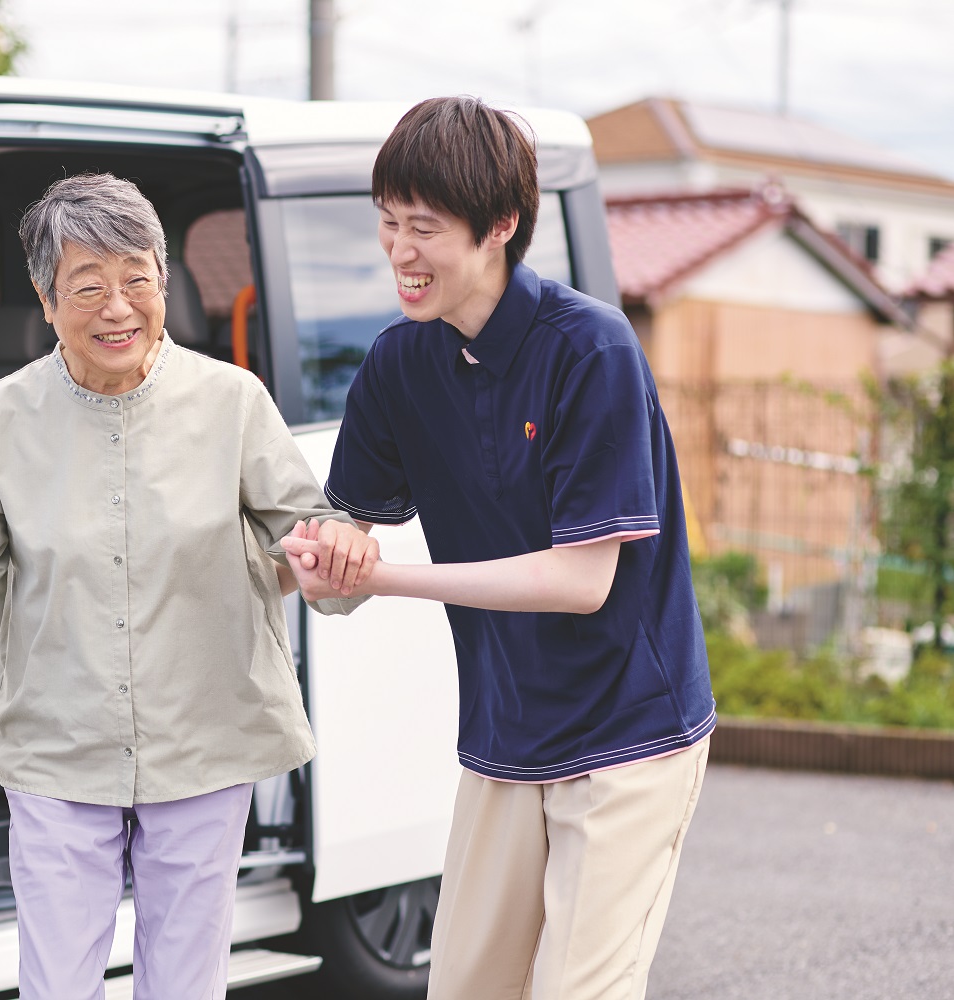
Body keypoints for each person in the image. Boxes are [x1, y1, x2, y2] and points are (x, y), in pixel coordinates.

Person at [0, 173, 375, 1000]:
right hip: (56, 750)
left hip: (207, 742)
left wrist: (339, 556)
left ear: (164, 282)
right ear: (46, 300)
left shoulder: (232, 402)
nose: (118, 308)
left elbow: (314, 545)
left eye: (137, 280)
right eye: (88, 287)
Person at [282, 96, 716, 1000]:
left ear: (502, 226)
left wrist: (387, 576)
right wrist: (330, 566)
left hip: (629, 730)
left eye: (425, 228)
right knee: (468, 987)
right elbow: (345, 552)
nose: (399, 251)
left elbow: (582, 579)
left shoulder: (591, 350)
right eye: (388, 222)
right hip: (506, 730)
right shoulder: (398, 364)